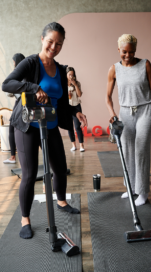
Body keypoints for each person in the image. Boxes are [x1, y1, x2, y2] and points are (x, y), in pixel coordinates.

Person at [2, 22, 87, 239]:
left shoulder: (60, 69)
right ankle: (25, 219)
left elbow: (62, 101)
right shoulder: (31, 63)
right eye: (51, 41)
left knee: (60, 168)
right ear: (42, 39)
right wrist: (34, 88)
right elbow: (7, 84)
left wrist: (76, 111)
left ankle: (61, 201)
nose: (54, 47)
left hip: (49, 125)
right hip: (28, 126)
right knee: (29, 175)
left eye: (59, 44)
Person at [105, 34, 151, 206]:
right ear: (118, 50)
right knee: (127, 151)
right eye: (124, 52)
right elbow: (107, 97)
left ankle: (143, 191)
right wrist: (112, 113)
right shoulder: (114, 69)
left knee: (141, 150)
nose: (128, 55)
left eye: (131, 52)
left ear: (135, 50)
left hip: (145, 111)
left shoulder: (145, 64)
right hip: (125, 113)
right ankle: (130, 187)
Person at [3, 53, 25, 164]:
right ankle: (13, 156)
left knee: (13, 129)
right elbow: (10, 93)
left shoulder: (19, 75)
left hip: (22, 104)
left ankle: (13, 157)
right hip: (20, 103)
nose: (13, 64)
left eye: (14, 62)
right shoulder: (25, 73)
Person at [67, 67, 85, 152]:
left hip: (76, 106)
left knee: (77, 127)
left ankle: (81, 145)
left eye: (72, 75)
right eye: (69, 74)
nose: (71, 76)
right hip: (67, 107)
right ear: (66, 75)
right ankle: (73, 145)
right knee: (70, 127)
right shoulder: (63, 84)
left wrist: (75, 85)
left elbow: (79, 94)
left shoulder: (77, 83)